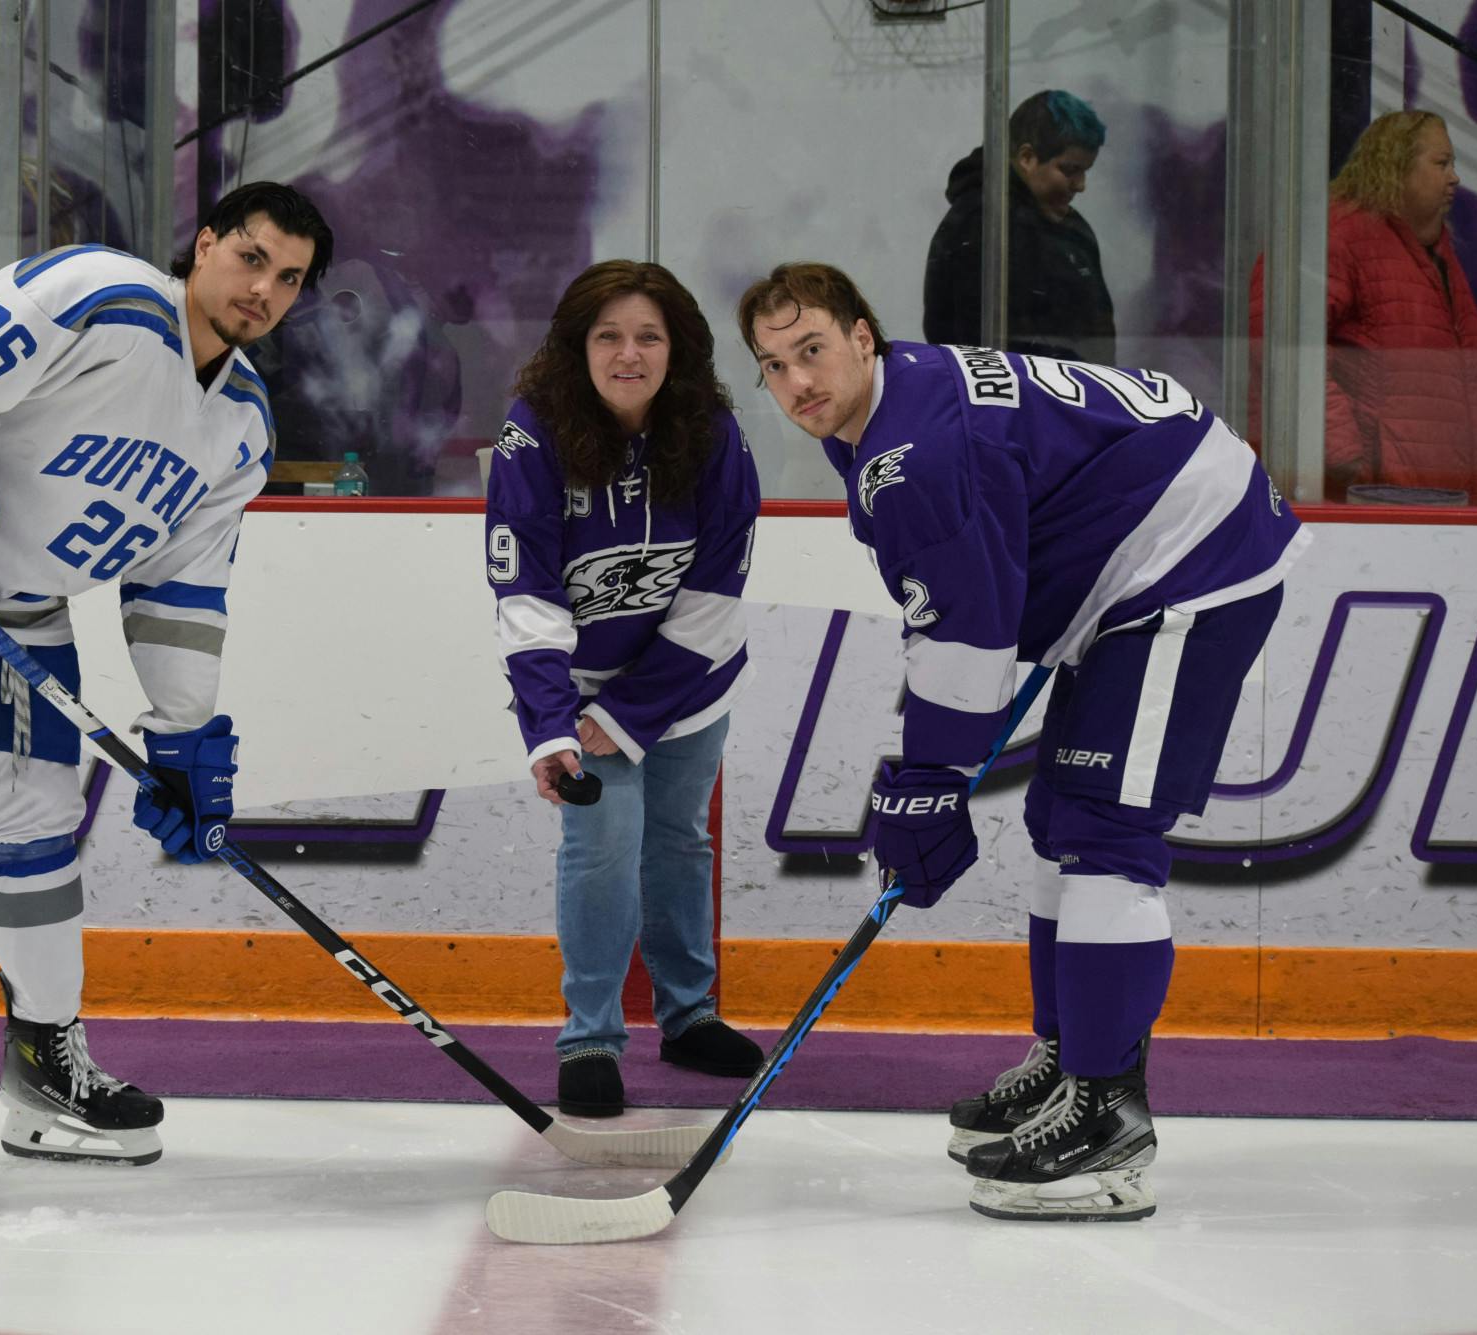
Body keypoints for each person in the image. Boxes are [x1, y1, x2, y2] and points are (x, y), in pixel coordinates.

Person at [0, 181, 333, 1211]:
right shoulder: (103, 296)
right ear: (205, 244)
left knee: (38, 827)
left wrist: (181, 740)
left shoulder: (242, 428)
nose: (263, 289)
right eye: (251, 258)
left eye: (289, 279)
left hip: (27, 612)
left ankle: (45, 1071)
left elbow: (177, 591)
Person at [739, 262, 1308, 1221]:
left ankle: (1108, 1114)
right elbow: (984, 579)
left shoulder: (913, 448)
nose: (798, 381)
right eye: (774, 365)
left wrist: (929, 777)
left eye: (813, 349)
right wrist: (934, 770)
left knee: (1104, 829)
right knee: (1058, 817)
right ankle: (1070, 1059)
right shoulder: (890, 411)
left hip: (1193, 558)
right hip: (1136, 561)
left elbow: (968, 631)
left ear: (863, 337)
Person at [486, 260, 766, 1118]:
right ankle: (592, 1037)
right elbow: (525, 592)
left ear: (677, 349)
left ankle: (688, 1016)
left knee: (677, 841)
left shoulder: (713, 436)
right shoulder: (533, 435)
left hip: (686, 686)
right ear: (578, 348)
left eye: (648, 335)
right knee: (601, 845)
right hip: (575, 688)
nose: (628, 353)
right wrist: (554, 725)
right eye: (608, 335)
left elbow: (717, 598)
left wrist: (631, 711)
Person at [1248, 109, 1477, 505]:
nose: (1454, 178)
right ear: (1397, 164)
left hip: (1439, 502)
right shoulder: (1341, 234)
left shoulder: (1437, 253)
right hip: (1371, 500)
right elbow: (1281, 339)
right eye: (1441, 163)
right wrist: (1345, 454)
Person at [923, 89, 1115, 366]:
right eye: (1070, 170)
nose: (1081, 185)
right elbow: (965, 346)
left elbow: (1098, 338)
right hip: (1013, 404)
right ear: (1027, 158)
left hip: (1070, 402)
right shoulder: (982, 225)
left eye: (1085, 171)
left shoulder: (1072, 229)